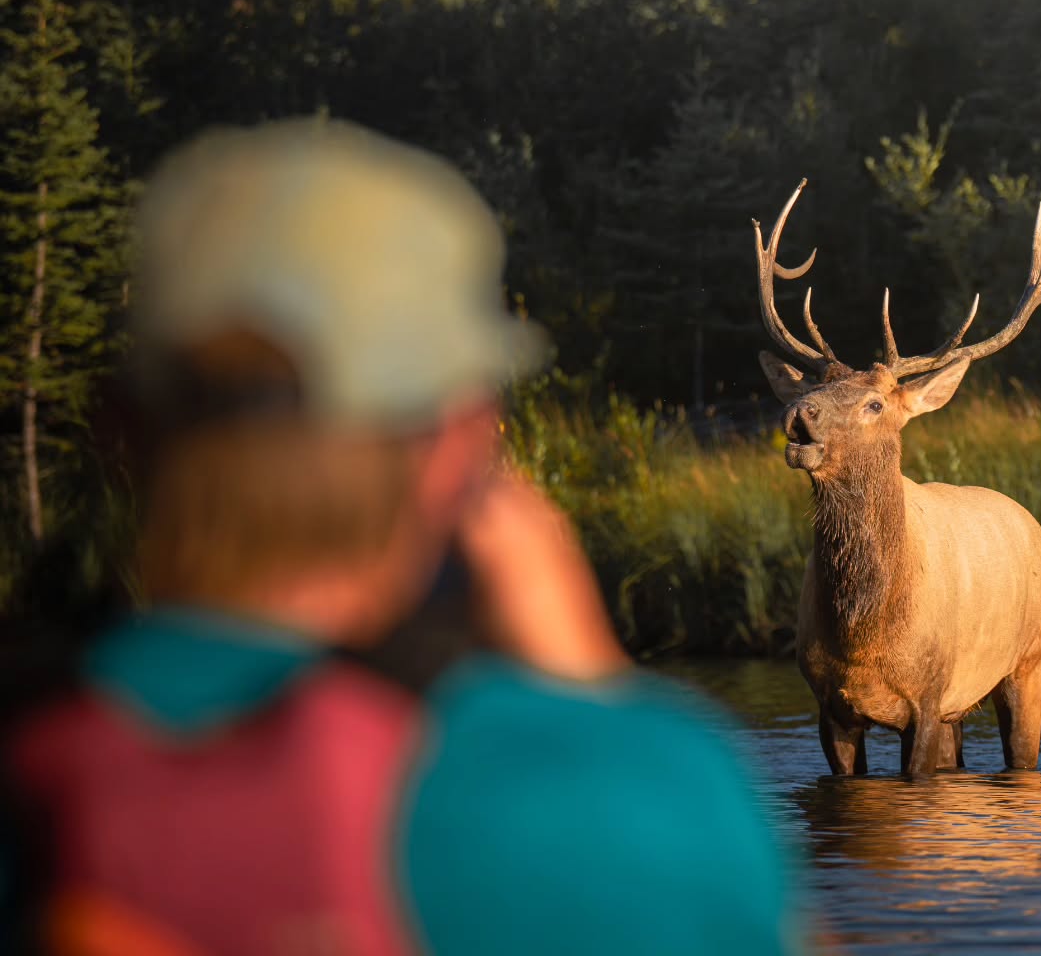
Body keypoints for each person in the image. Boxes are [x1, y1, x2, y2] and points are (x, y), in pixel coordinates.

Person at [1, 119, 805, 956]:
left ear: (114, 433)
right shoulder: (637, 791)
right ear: (466, 438)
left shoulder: (32, 744)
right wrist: (600, 697)